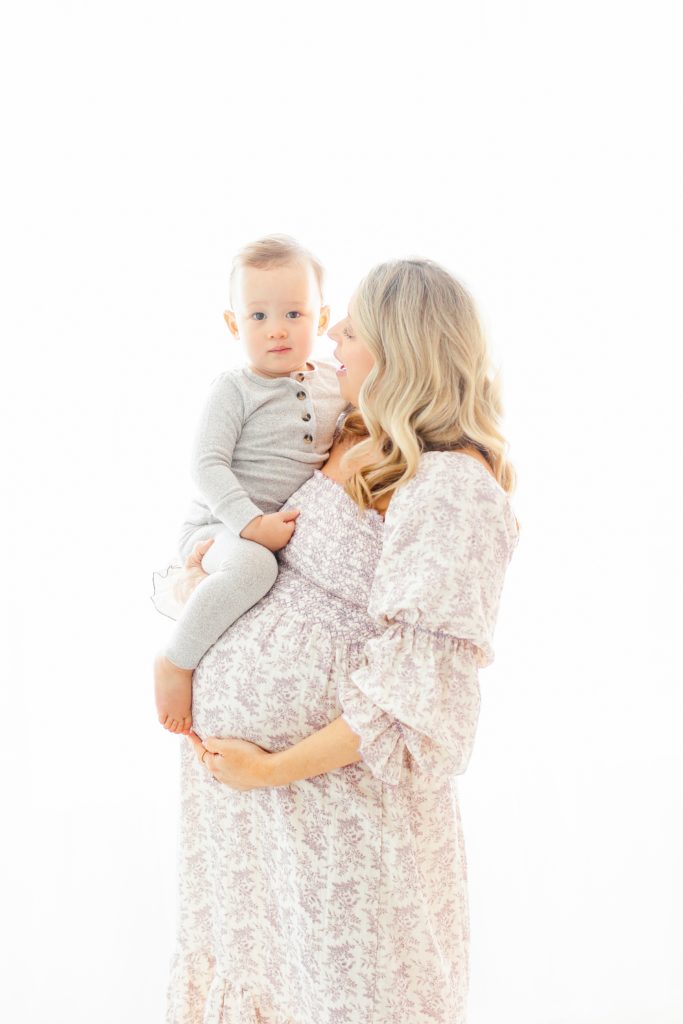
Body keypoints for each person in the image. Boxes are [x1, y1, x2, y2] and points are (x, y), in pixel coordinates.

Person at [164, 257, 520, 1024]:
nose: (329, 336)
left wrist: (272, 769)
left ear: (401, 351)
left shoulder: (453, 485)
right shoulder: (342, 430)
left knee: (347, 996)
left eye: (351, 328)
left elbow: (413, 698)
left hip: (335, 815)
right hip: (252, 821)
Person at [151, 234, 350, 735]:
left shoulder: (331, 380)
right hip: (218, 525)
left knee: (267, 567)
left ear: (322, 320)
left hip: (263, 528)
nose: (276, 331)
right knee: (257, 566)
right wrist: (250, 523)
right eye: (258, 316)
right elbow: (206, 465)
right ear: (233, 323)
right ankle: (176, 660)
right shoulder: (234, 389)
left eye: (294, 315)